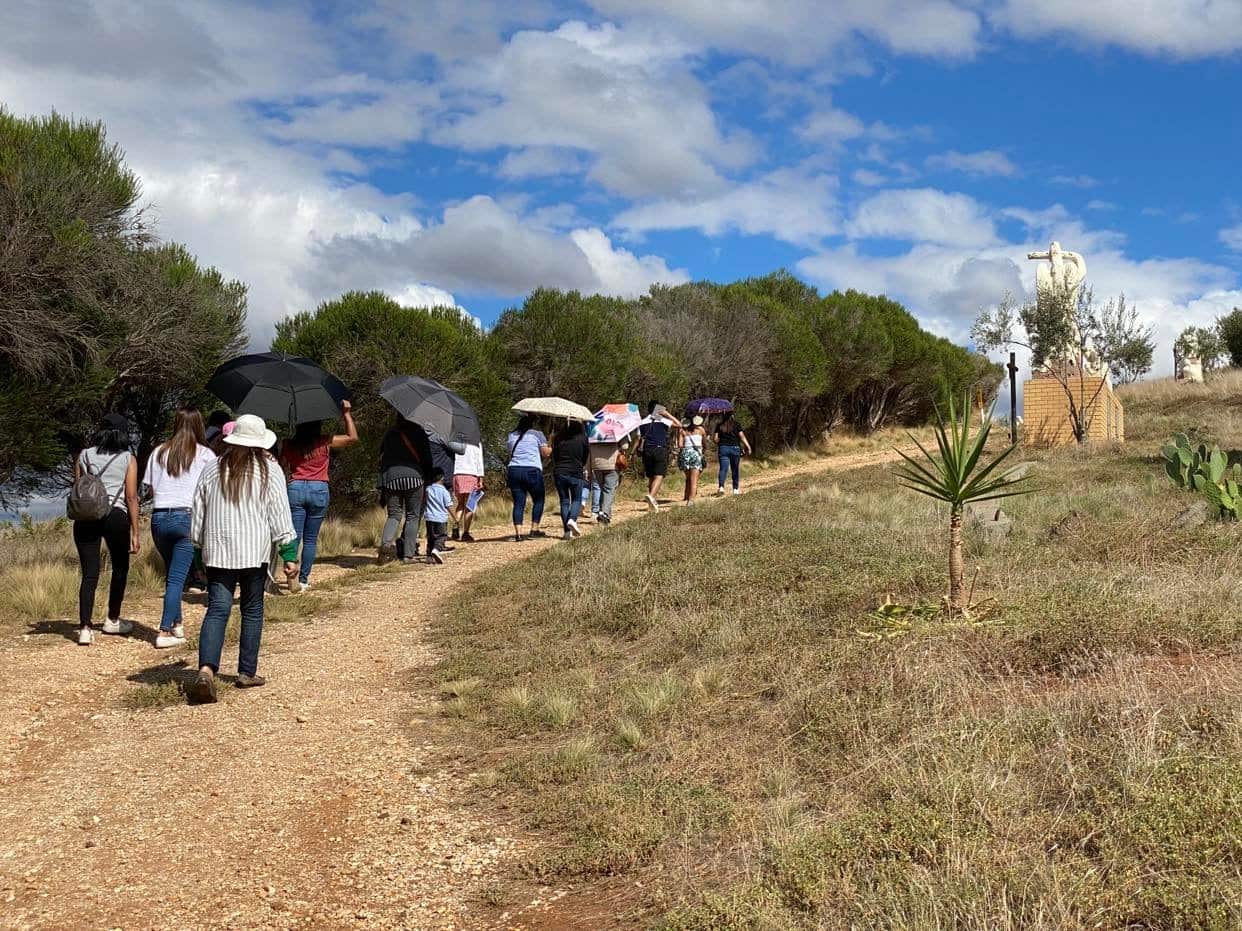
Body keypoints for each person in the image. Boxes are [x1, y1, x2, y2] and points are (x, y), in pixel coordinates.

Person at [187, 414, 297, 703]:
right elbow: (280, 516)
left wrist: (198, 553)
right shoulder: (269, 471)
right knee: (251, 609)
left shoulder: (212, 468)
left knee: (217, 610)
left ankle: (206, 671)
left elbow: (197, 516)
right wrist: (288, 553)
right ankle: (246, 672)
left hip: (218, 550)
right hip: (254, 552)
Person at [143, 407, 216, 649]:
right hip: (186, 517)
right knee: (176, 579)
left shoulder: (159, 452)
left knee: (174, 574)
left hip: (160, 517)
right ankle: (164, 631)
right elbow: (211, 490)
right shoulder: (205, 454)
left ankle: (177, 624)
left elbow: (152, 489)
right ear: (198, 425)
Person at [72, 413, 140, 646]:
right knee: (120, 567)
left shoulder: (84, 455)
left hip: (86, 517)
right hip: (115, 515)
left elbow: (79, 488)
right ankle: (112, 618)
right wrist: (136, 531)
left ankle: (84, 627)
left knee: (90, 573)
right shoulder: (128, 458)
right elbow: (131, 497)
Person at [279, 400, 357, 593]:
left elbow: (281, 466)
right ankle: (304, 579)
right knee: (311, 539)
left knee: (293, 536)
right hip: (319, 488)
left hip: (295, 487)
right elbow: (352, 438)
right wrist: (346, 413)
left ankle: (291, 572)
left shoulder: (288, 444)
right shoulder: (324, 441)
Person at [377, 415, 431, 565]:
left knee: (394, 515)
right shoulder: (419, 432)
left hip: (390, 477)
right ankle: (408, 555)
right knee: (413, 516)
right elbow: (427, 459)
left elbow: (381, 457)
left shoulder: (389, 433)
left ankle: (385, 549)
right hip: (414, 476)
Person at [506, 415, 551, 542]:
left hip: (514, 470)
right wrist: (550, 442)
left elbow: (510, 452)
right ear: (532, 424)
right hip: (532, 469)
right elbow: (545, 453)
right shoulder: (537, 434)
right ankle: (534, 529)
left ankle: (518, 534)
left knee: (519, 503)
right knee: (539, 499)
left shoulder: (511, 435)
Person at [635, 402, 678, 511]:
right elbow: (679, 425)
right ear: (658, 410)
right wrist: (667, 414)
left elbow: (639, 438)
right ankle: (652, 496)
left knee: (651, 476)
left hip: (647, 450)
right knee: (659, 475)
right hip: (659, 449)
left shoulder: (642, 422)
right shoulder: (662, 420)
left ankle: (651, 503)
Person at [551, 420, 590, 539]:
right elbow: (585, 456)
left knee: (564, 501)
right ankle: (572, 520)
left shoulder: (558, 438)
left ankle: (567, 532)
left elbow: (555, 456)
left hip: (560, 472)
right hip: (575, 472)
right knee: (577, 499)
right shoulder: (583, 439)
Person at [588, 437, 627, 525]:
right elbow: (625, 446)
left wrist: (588, 469)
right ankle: (604, 513)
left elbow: (589, 448)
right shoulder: (616, 428)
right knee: (608, 490)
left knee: (603, 490)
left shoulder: (595, 430)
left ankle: (607, 516)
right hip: (612, 464)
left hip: (596, 464)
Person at [451, 442, 485, 543]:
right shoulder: (476, 442)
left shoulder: (455, 440)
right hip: (471, 473)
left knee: (460, 503)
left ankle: (456, 525)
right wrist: (481, 478)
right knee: (469, 505)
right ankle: (465, 533)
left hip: (457, 474)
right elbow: (479, 460)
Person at [714, 413, 752, 496]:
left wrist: (720, 440)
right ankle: (735, 489)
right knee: (735, 469)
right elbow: (742, 436)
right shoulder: (736, 424)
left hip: (723, 448)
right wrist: (748, 446)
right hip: (735, 449)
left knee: (723, 469)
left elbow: (715, 439)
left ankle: (721, 487)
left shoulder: (719, 425)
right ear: (732, 416)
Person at [423, 467, 453, 564]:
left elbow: (423, 501)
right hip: (441, 518)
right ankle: (436, 550)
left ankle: (428, 556)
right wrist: (455, 517)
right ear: (442, 478)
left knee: (431, 537)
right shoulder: (444, 491)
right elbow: (448, 505)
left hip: (429, 517)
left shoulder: (428, 489)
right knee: (441, 536)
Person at [678, 415, 708, 504]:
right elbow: (705, 443)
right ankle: (691, 501)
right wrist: (703, 450)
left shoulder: (682, 431)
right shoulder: (701, 430)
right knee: (694, 479)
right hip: (696, 453)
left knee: (688, 477)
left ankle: (686, 496)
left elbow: (680, 445)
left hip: (685, 454)